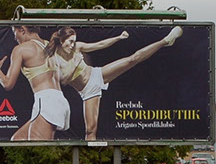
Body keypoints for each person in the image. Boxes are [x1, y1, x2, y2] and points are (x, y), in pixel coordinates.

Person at [44, 25, 184, 140]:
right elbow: (63, 80)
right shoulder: (55, 59)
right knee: (90, 130)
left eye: (74, 41)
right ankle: (89, 159)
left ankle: (166, 40)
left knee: (132, 59)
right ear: (61, 41)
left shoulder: (77, 47)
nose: (72, 45)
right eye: (70, 42)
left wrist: (118, 38)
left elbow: (99, 45)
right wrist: (76, 63)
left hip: (97, 75)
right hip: (87, 91)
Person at [0, 26, 70, 141]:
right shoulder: (49, 45)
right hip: (59, 100)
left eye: (14, 32)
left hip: (46, 101)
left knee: (39, 149)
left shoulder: (21, 49)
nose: (15, 37)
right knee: (17, 139)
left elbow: (7, 84)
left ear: (22, 30)